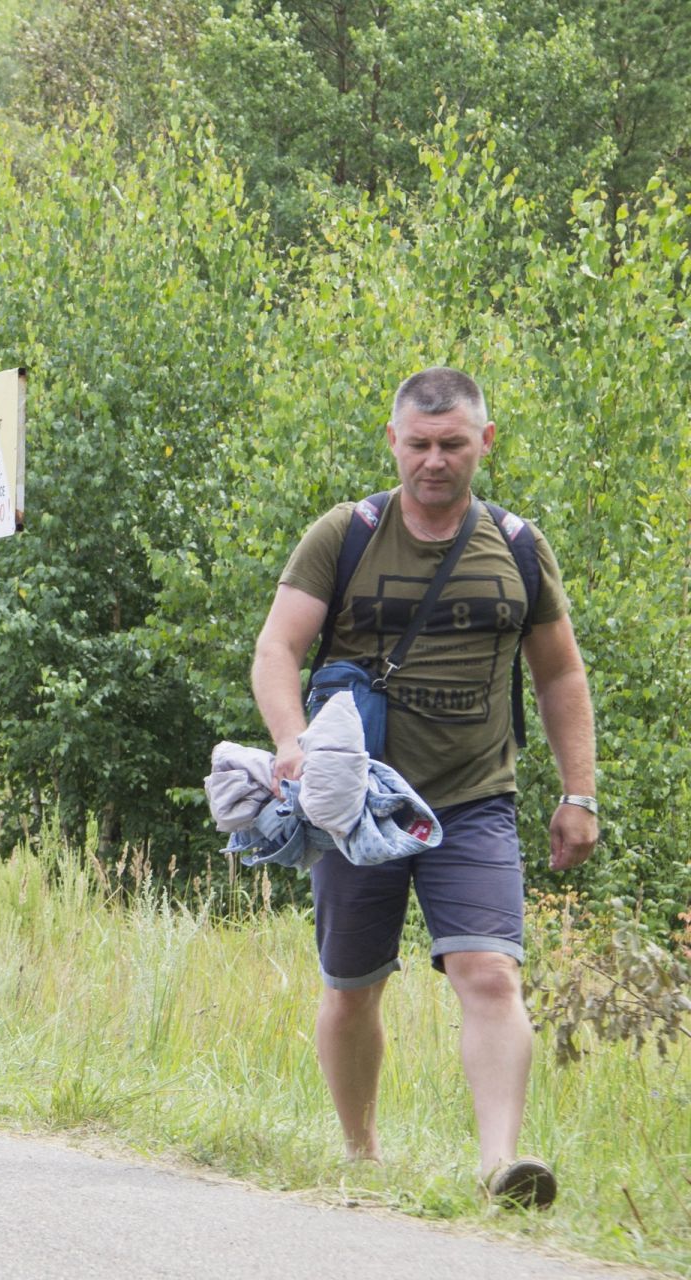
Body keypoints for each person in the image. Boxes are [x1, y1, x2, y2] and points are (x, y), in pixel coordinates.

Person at [250, 367, 598, 1208]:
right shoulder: (345, 535)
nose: (434, 461)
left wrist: (578, 792)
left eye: (451, 444)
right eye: (418, 444)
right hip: (357, 800)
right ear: (394, 442)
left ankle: (500, 1166)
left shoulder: (517, 546)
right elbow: (276, 650)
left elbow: (560, 676)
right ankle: (359, 1150)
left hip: (474, 800)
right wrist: (292, 746)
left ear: (483, 443)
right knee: (354, 982)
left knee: (489, 974)